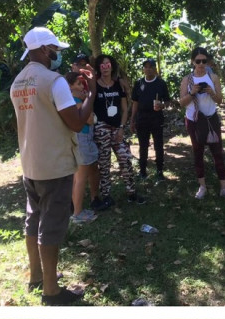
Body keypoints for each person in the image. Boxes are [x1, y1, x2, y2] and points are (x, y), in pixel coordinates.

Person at [8, 27, 96, 305]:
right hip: (54, 166)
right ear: (46, 50)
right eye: (56, 49)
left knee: (33, 218)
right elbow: (76, 122)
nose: (58, 54)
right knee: (52, 224)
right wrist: (90, 95)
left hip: (30, 164)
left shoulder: (17, 82)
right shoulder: (54, 81)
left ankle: (36, 276)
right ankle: (51, 290)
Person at [179, 47, 225, 201]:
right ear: (192, 62)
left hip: (211, 119)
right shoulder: (187, 80)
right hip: (194, 120)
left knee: (218, 152)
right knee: (198, 152)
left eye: (204, 61)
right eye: (198, 61)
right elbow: (182, 102)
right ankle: (202, 186)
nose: (201, 64)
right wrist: (192, 92)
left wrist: (211, 92)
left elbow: (219, 100)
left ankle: (224, 188)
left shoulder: (213, 77)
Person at [91, 54, 143, 211]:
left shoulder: (117, 85)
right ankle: (106, 195)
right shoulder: (95, 85)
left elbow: (125, 108)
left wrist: (121, 127)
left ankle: (131, 192)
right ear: (99, 67)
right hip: (101, 127)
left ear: (111, 66)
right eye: (102, 64)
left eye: (108, 64)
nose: (105, 67)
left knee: (125, 159)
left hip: (117, 127)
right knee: (104, 163)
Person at [65, 71, 99, 224]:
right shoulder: (77, 102)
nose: (82, 86)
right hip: (82, 140)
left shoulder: (70, 101)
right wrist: (88, 101)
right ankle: (77, 213)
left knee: (77, 177)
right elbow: (91, 120)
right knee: (80, 178)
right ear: (70, 86)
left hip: (79, 139)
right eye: (79, 83)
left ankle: (76, 208)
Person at [130, 58, 170, 182]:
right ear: (143, 69)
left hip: (156, 118)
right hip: (141, 118)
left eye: (151, 67)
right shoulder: (139, 83)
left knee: (158, 145)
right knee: (143, 146)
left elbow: (168, 101)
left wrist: (162, 105)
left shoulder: (161, 83)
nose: (148, 69)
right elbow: (135, 102)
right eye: (146, 67)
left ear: (155, 69)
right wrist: (132, 119)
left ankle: (159, 171)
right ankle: (142, 171)